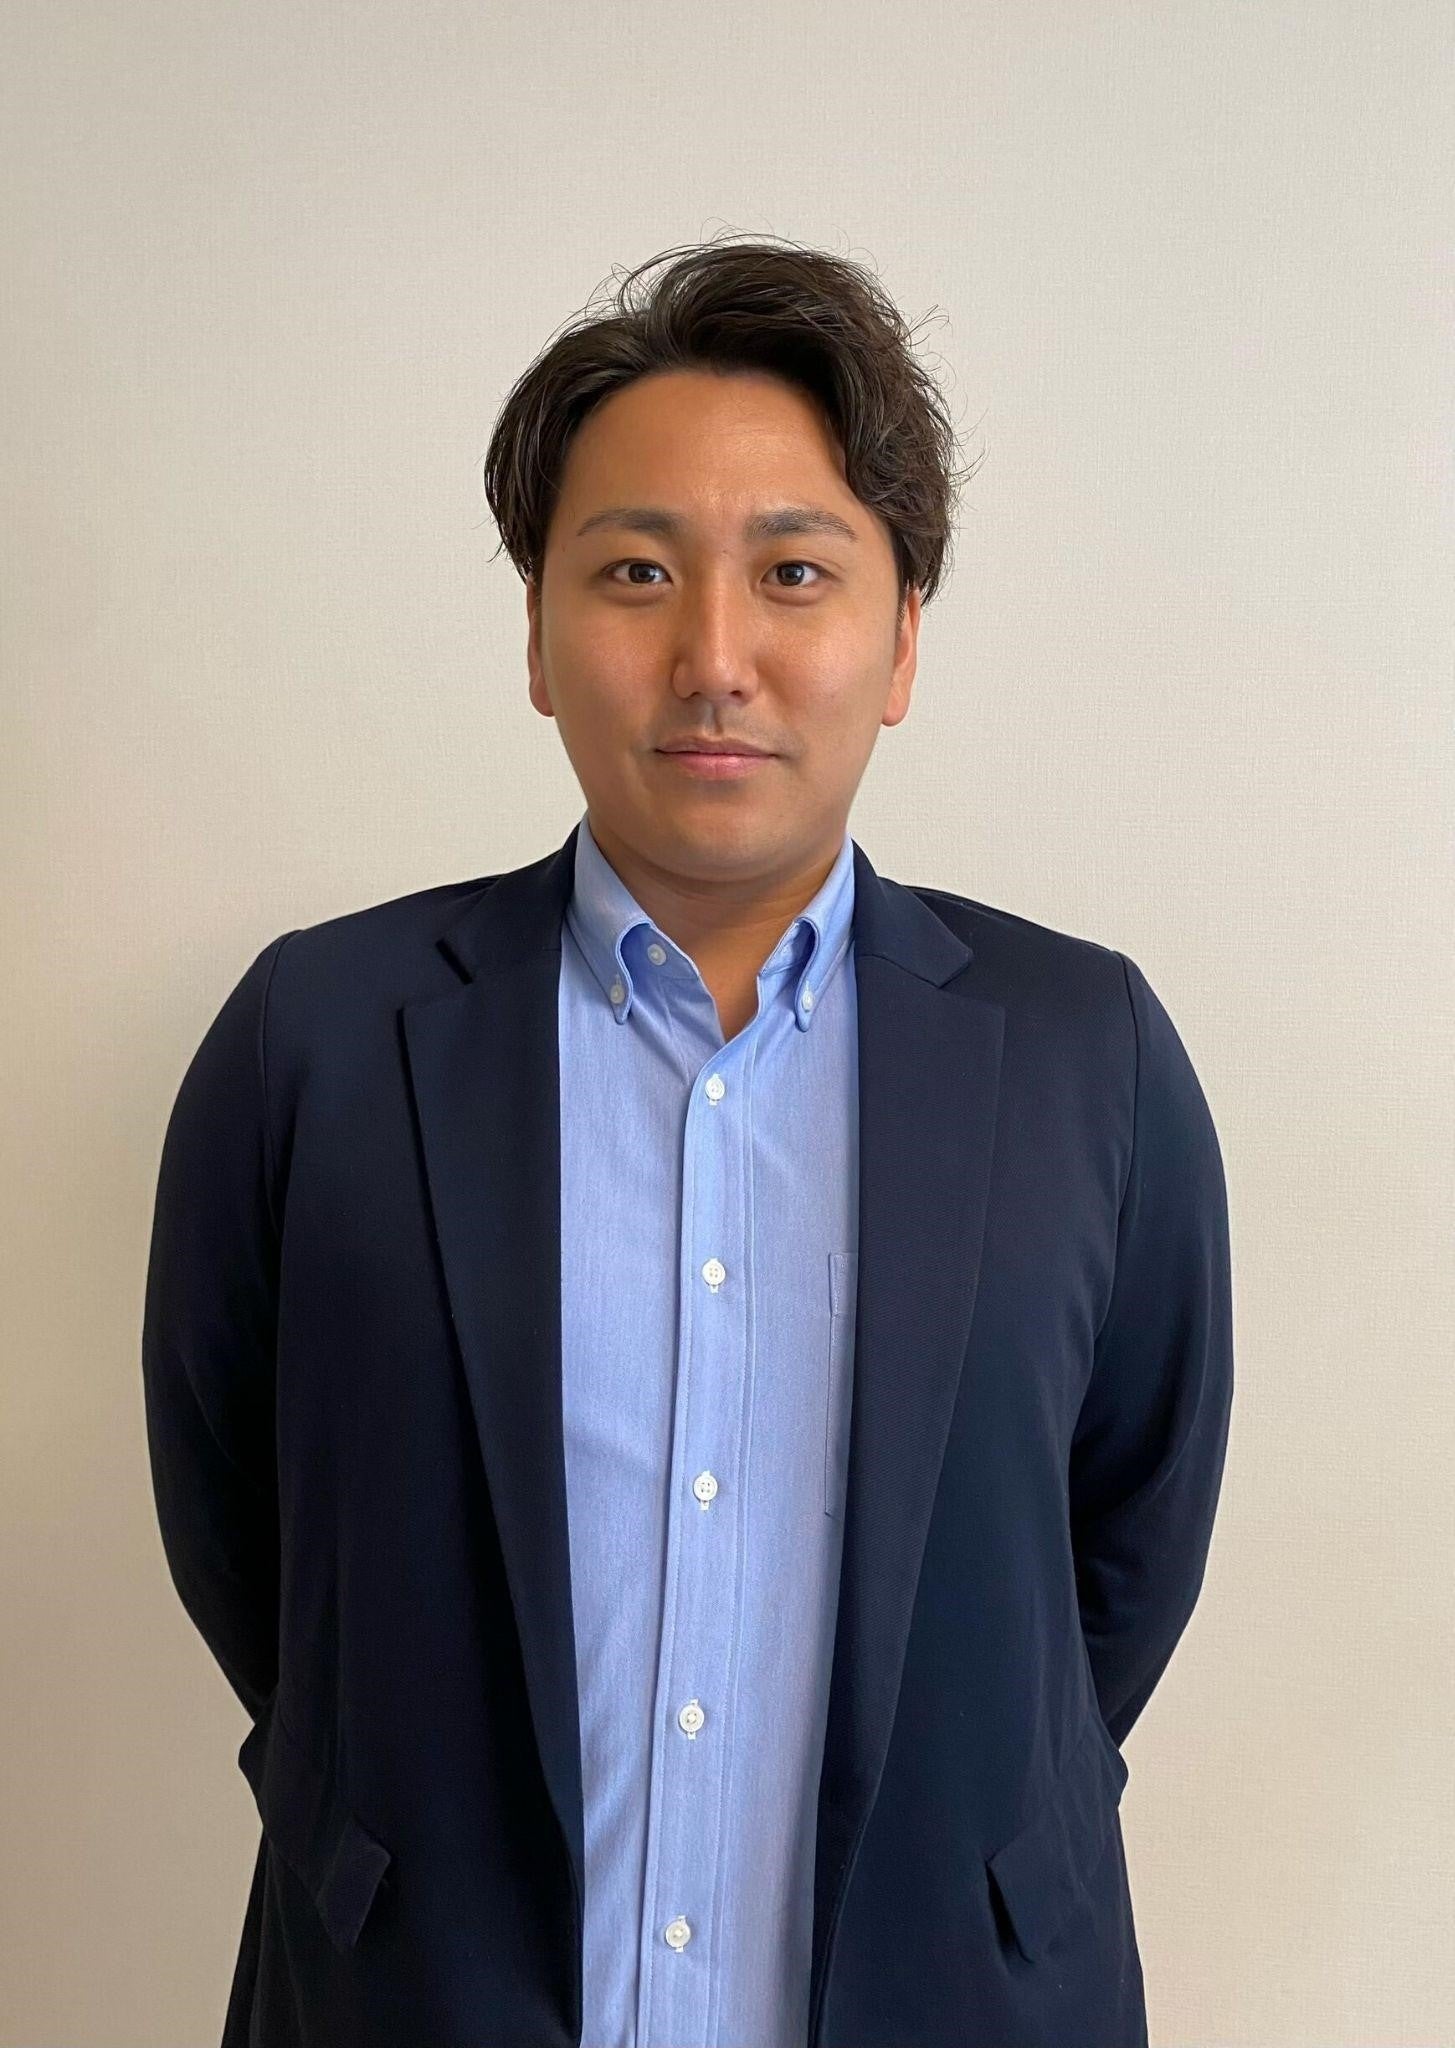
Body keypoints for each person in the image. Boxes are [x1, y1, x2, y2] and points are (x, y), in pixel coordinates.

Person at [142, 233, 1233, 2048]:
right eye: (636, 571)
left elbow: (1122, 1553)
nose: (713, 657)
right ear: (537, 635)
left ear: (900, 641)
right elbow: (244, 1531)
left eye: (794, 572)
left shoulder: (1082, 1054)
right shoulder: (315, 1041)